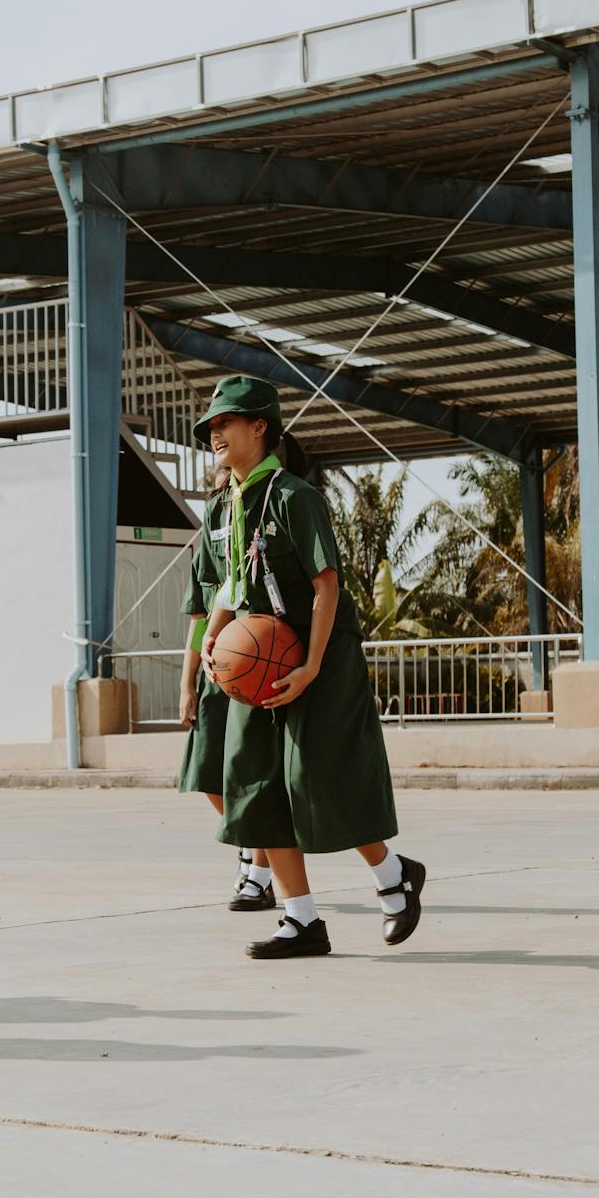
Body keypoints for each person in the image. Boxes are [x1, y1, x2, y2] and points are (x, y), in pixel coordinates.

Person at [196, 377, 423, 959]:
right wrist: (216, 638)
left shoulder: (297, 497)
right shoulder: (226, 505)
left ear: (259, 427)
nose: (215, 433)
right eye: (212, 427)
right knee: (256, 784)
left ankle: (394, 875)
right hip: (258, 655)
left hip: (318, 652)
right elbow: (231, 583)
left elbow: (326, 585)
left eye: (226, 423)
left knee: (320, 778)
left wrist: (313, 665)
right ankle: (301, 921)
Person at [180, 441, 303, 912]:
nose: (221, 485)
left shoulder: (274, 516)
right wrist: (188, 681)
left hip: (258, 660)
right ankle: (252, 847)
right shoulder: (210, 534)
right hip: (220, 664)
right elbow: (198, 616)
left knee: (258, 776)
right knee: (206, 774)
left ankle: (258, 865)